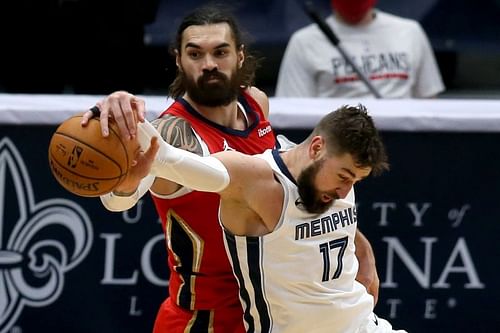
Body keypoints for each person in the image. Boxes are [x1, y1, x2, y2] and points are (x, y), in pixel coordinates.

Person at [82, 5, 380, 333]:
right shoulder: (171, 133)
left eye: (219, 52)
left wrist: (362, 251)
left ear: (239, 56)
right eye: (195, 54)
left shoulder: (255, 104)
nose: (208, 64)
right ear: (178, 59)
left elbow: (295, 198)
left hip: (265, 314)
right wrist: (123, 160)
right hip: (203, 319)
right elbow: (116, 201)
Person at [134, 104, 406, 333]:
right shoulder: (253, 179)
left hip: (365, 325)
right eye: (344, 178)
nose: (345, 191)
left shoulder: (333, 181)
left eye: (356, 181)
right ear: (317, 148)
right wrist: (130, 122)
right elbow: (173, 162)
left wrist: (366, 253)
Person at [275, 0, 445, 98]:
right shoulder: (304, 42)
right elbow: (294, 113)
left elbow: (428, 103)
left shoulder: (410, 32)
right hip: (335, 150)